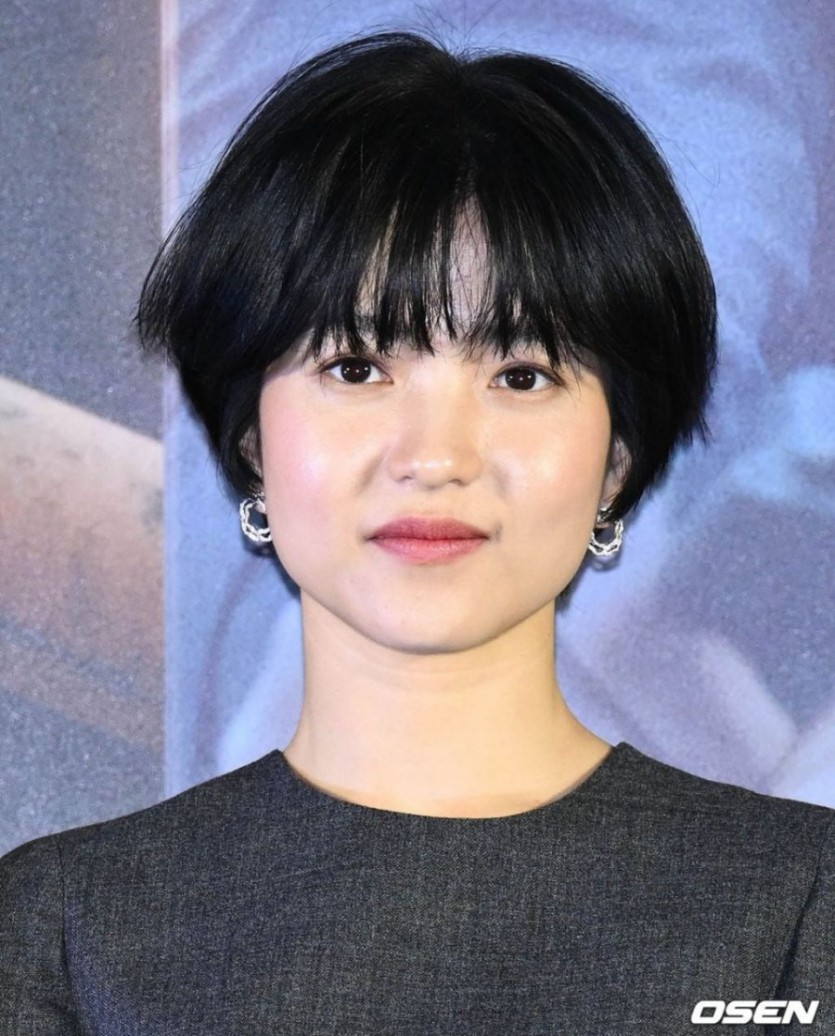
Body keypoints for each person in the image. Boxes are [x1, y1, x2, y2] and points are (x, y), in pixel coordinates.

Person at [1, 29, 832, 1035]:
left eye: (520, 374)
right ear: (250, 441)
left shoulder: (798, 905)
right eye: (356, 367)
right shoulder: (62, 926)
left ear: (617, 462)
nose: (435, 455)